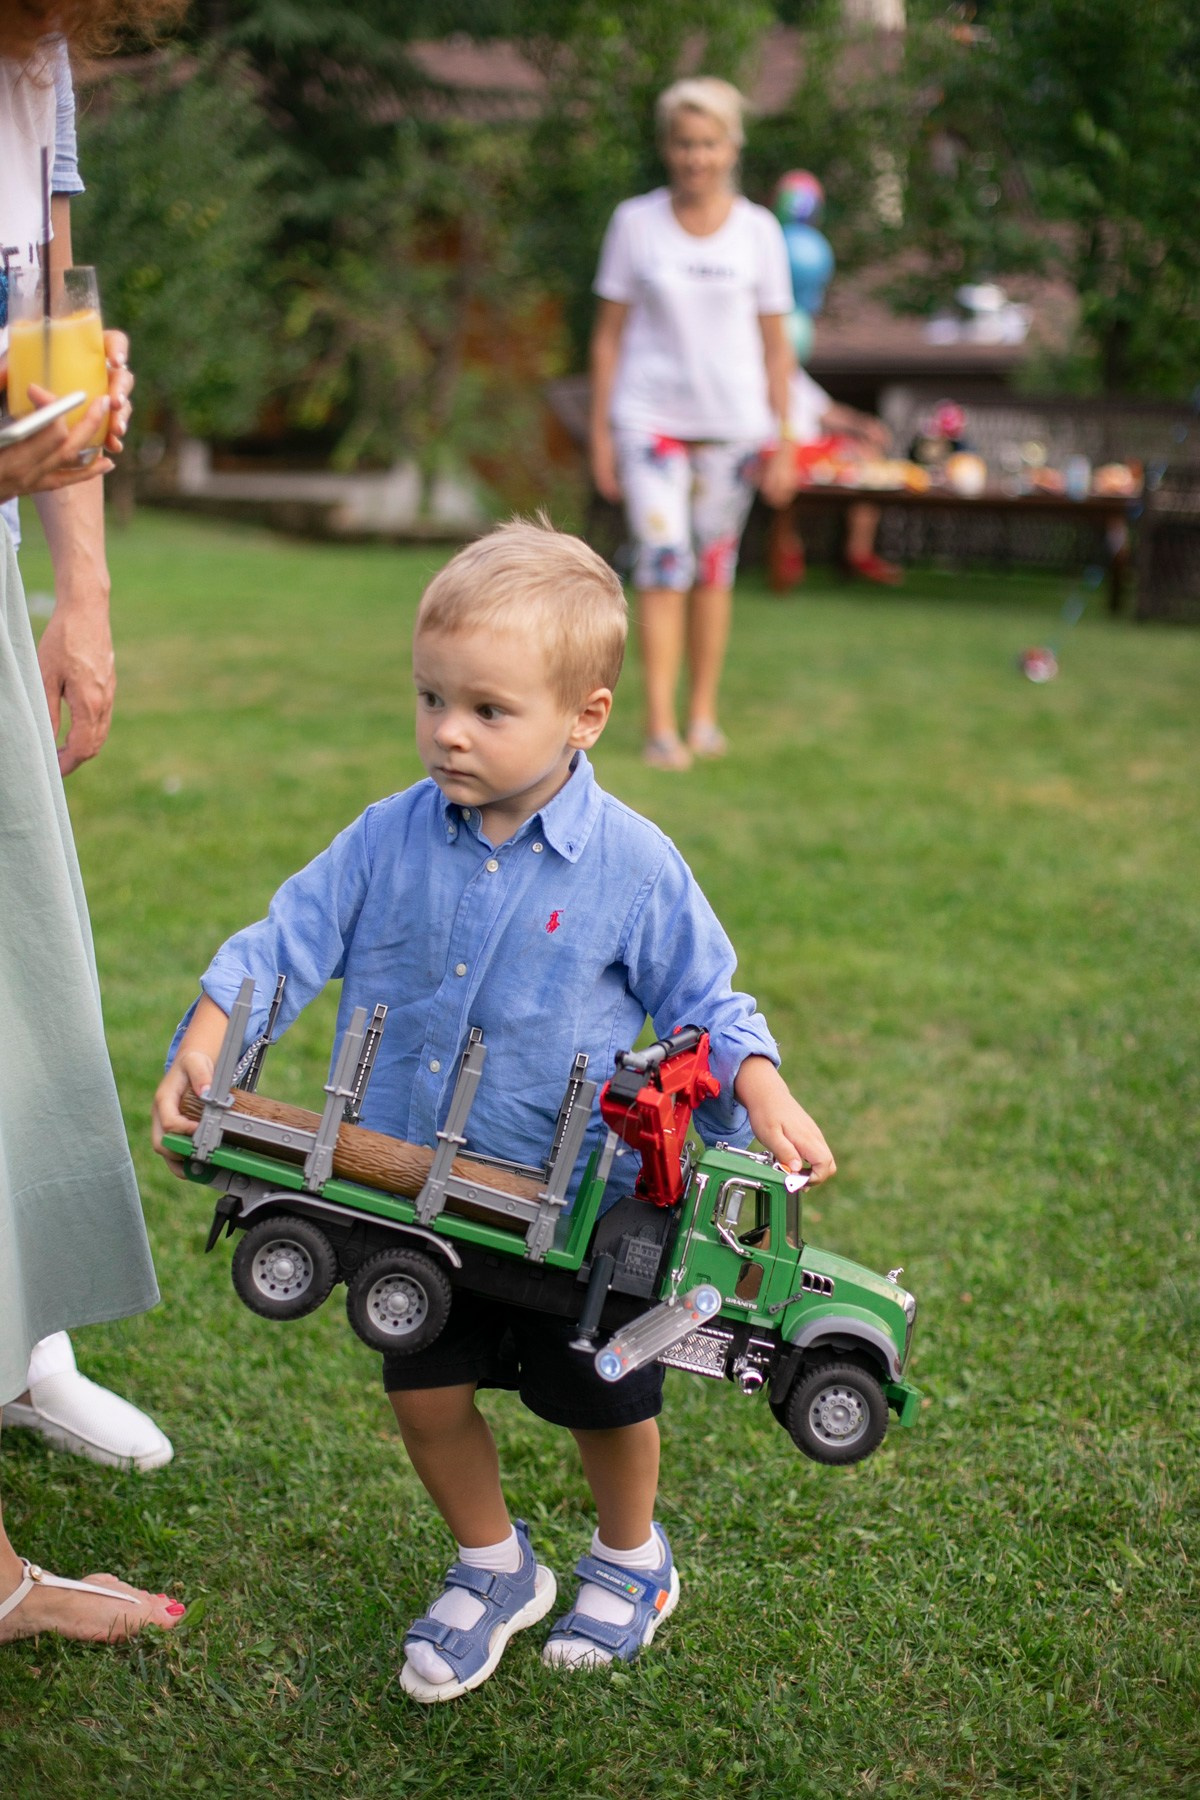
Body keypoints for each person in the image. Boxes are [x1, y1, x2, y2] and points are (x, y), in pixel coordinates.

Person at [152, 516, 835, 1700]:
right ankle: (491, 1561)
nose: (447, 733)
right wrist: (213, 1031)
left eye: (485, 709)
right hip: (416, 1191)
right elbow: (289, 938)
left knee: (602, 1395)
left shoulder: (635, 866)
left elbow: (708, 1006)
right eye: (430, 698)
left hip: (572, 1211)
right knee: (421, 1386)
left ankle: (631, 1556)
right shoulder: (385, 839)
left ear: (585, 716)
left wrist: (761, 1085)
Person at [1, 1, 185, 1646]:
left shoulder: (37, 58)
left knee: (22, 1002)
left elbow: (47, 302)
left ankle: (15, 1346)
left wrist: (83, 589)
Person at [589, 77, 796, 771]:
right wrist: (599, 435)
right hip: (649, 424)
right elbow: (608, 337)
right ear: (666, 148)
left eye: (708, 143)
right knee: (662, 561)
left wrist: (786, 440)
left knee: (713, 568)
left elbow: (777, 345)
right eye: (683, 143)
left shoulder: (760, 232)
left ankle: (703, 715)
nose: (695, 157)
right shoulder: (635, 224)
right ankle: (658, 726)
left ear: (731, 148)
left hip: (734, 430)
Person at [767, 366, 904, 590]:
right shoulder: (749, 370)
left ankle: (859, 552)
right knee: (783, 472)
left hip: (815, 448)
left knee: (867, 457)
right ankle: (787, 550)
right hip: (778, 449)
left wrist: (863, 425)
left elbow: (827, 410)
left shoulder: (793, 374)